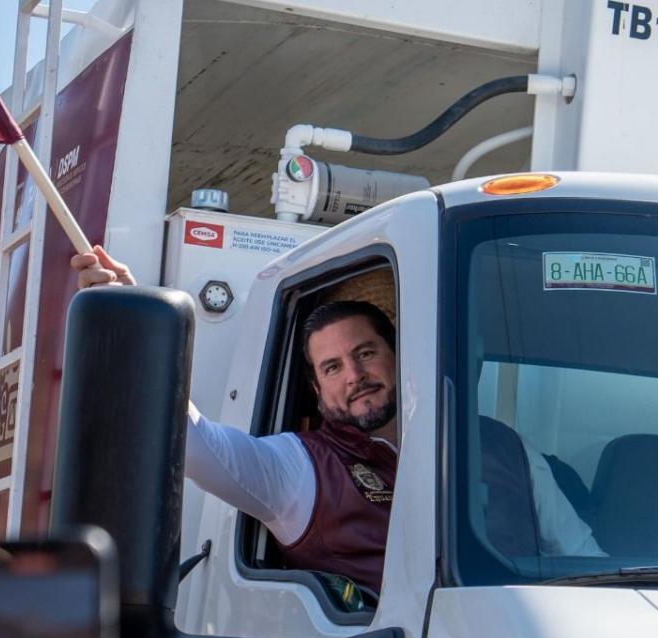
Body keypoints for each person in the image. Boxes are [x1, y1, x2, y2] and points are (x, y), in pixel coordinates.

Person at [72, 246, 604, 595]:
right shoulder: (299, 467)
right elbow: (191, 443)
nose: (354, 375)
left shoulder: (506, 448)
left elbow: (587, 562)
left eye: (366, 353)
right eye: (332, 367)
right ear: (318, 389)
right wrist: (133, 324)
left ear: (400, 355)